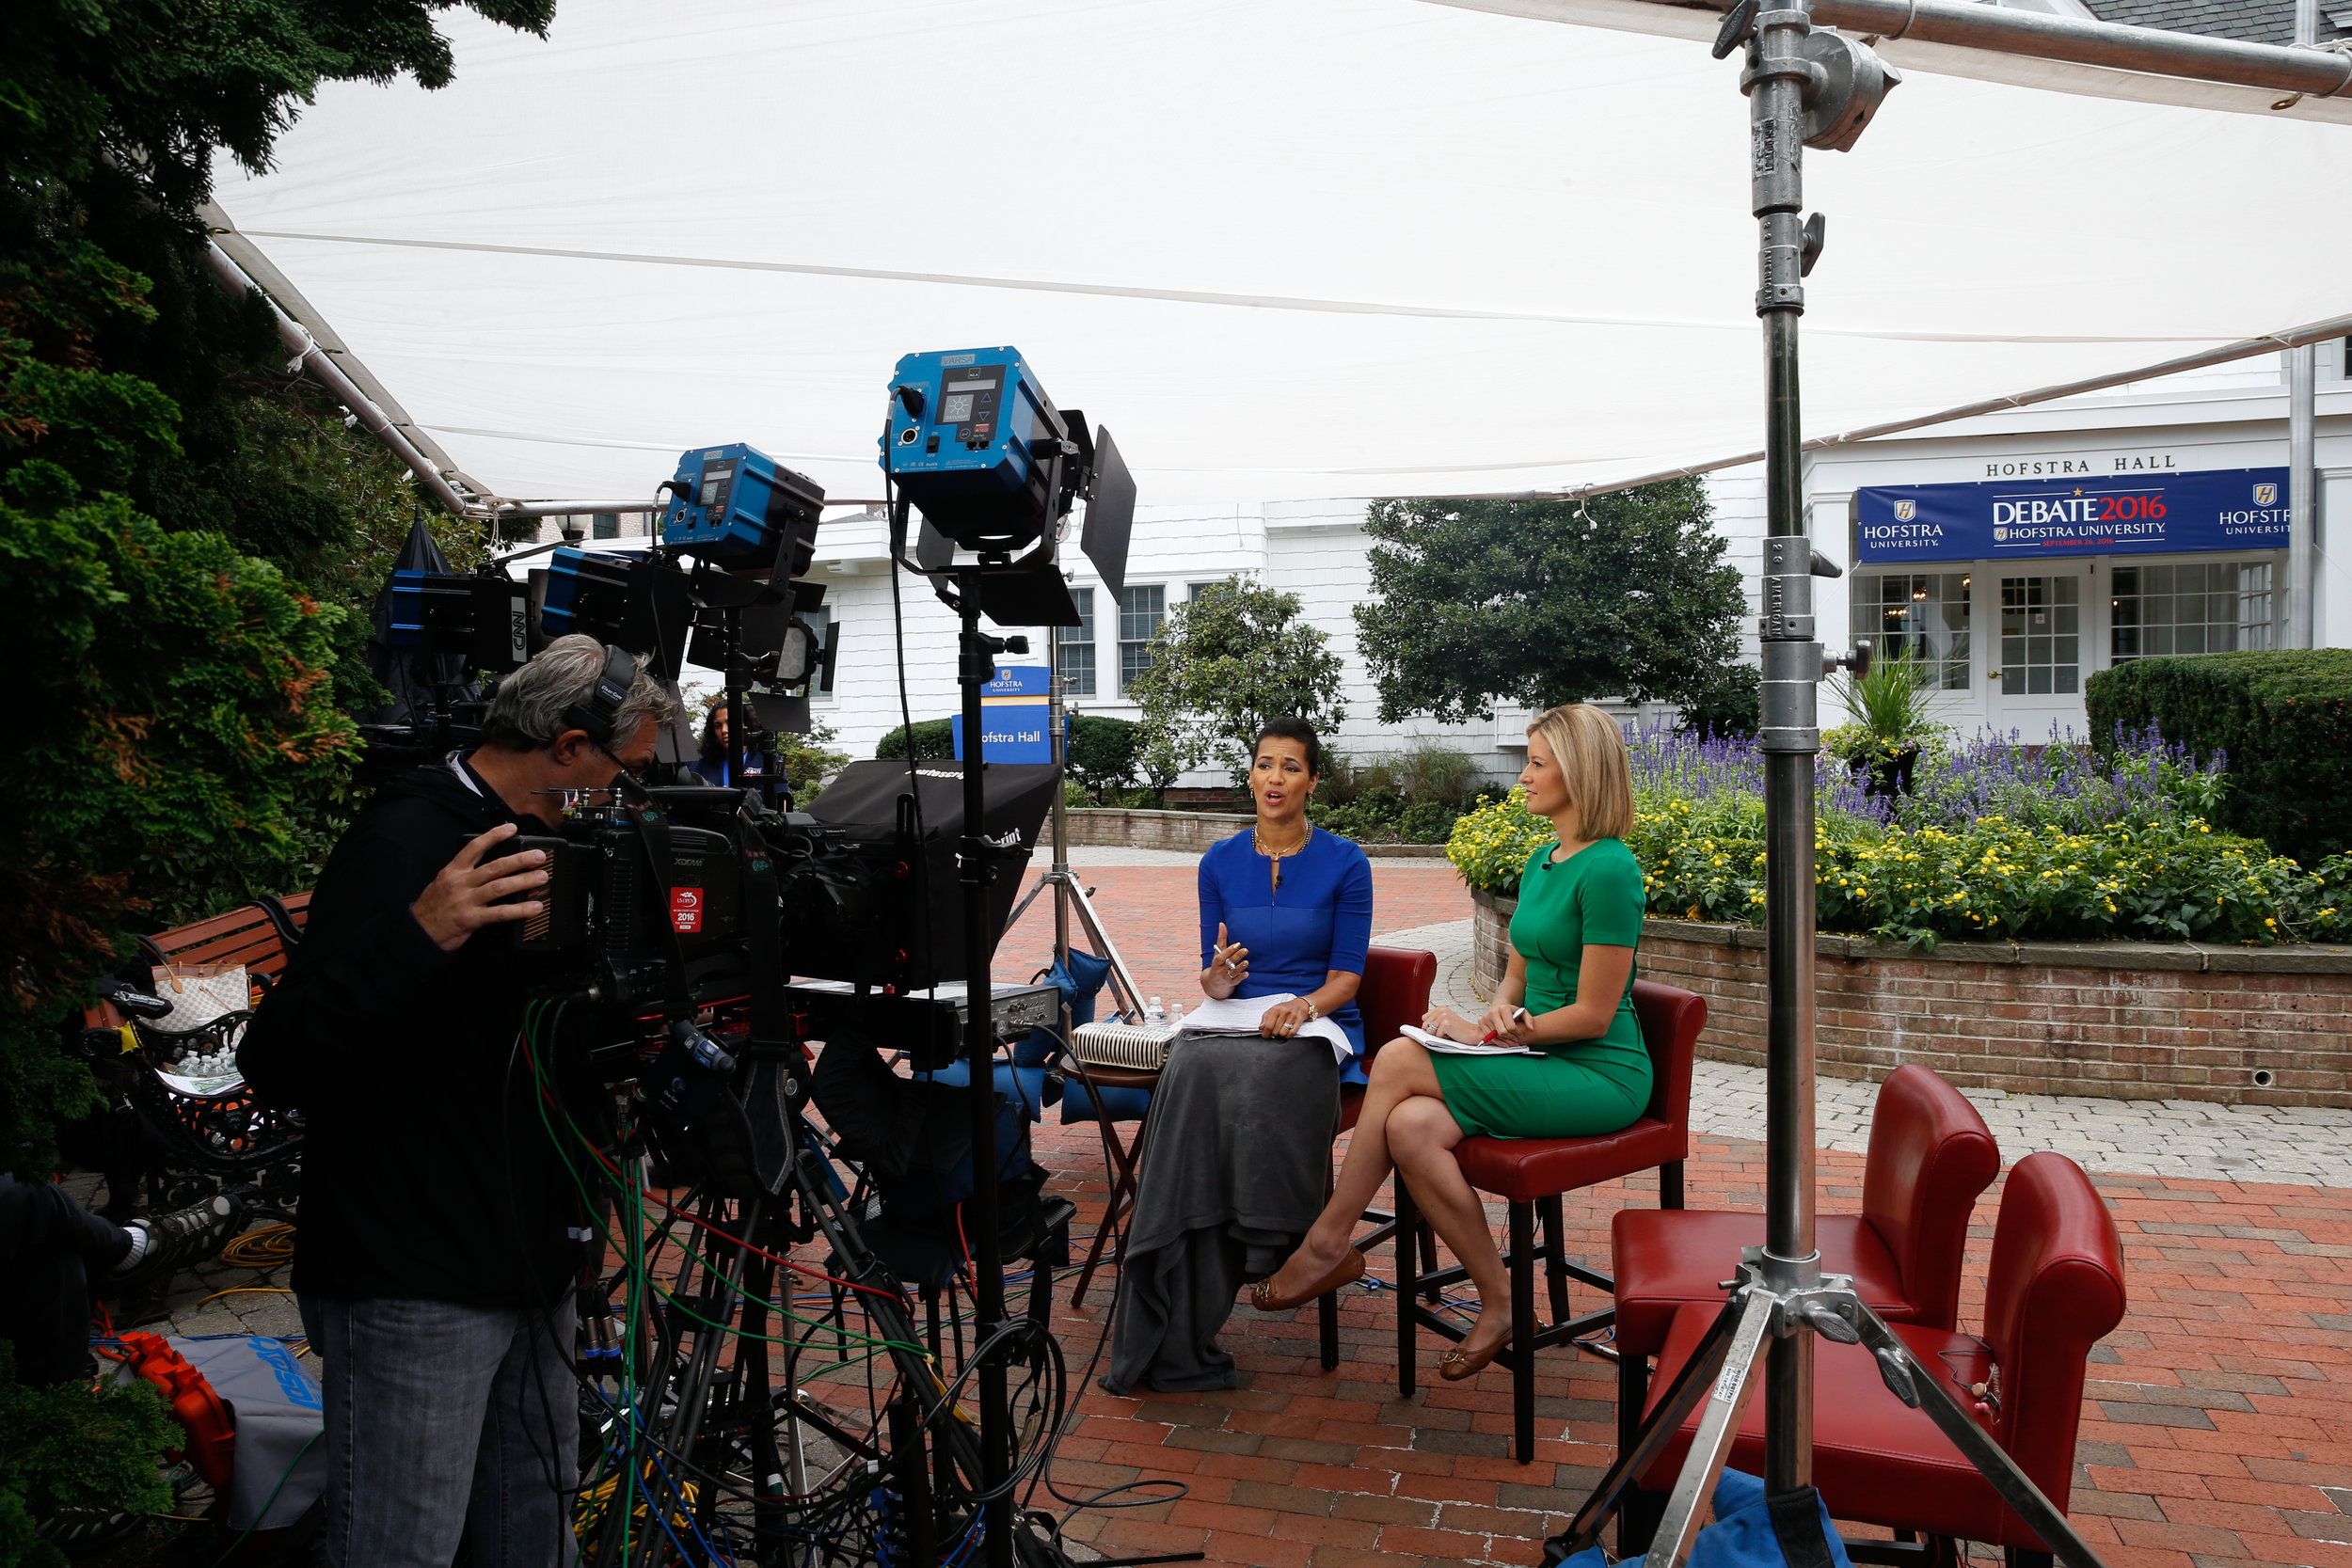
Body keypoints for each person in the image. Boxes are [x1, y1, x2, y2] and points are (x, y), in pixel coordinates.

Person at [241, 635, 676, 1568]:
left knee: (532, 1530)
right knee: (403, 1544)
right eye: (621, 771)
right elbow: (276, 1057)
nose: (625, 796)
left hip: (531, 1259)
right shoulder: (406, 836)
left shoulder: (561, 844)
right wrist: (421, 931)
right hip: (413, 1276)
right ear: (567, 744)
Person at [1249, 703, 1650, 1384]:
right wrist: (1487, 1018)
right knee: (1408, 1125)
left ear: (1580, 774)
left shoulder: (1610, 870)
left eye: (1537, 763)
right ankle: (1499, 1300)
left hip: (1598, 1073)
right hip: (1538, 1056)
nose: (1522, 776)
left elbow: (1591, 1014)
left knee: (1401, 1059)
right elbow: (1516, 978)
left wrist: (1487, 1032)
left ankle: (1326, 1240)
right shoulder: (1544, 858)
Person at [1102, 717, 1374, 1393]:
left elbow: (1346, 978)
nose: (1274, 778)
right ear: (1249, 774)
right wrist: (1217, 979)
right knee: (1189, 1069)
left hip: (1316, 1025)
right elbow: (1210, 972)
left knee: (1256, 1081)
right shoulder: (1218, 861)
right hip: (1231, 1016)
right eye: (1264, 764)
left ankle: (1276, 1239)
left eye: (1290, 766)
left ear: (1313, 780)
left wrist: (1305, 1006)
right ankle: (1168, 1230)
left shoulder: (1347, 862)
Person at [687, 700, 762, 787]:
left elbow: (780, 797)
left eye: (730, 723)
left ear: (746, 725)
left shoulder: (767, 761)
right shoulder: (702, 765)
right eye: (718, 726)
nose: (723, 730)